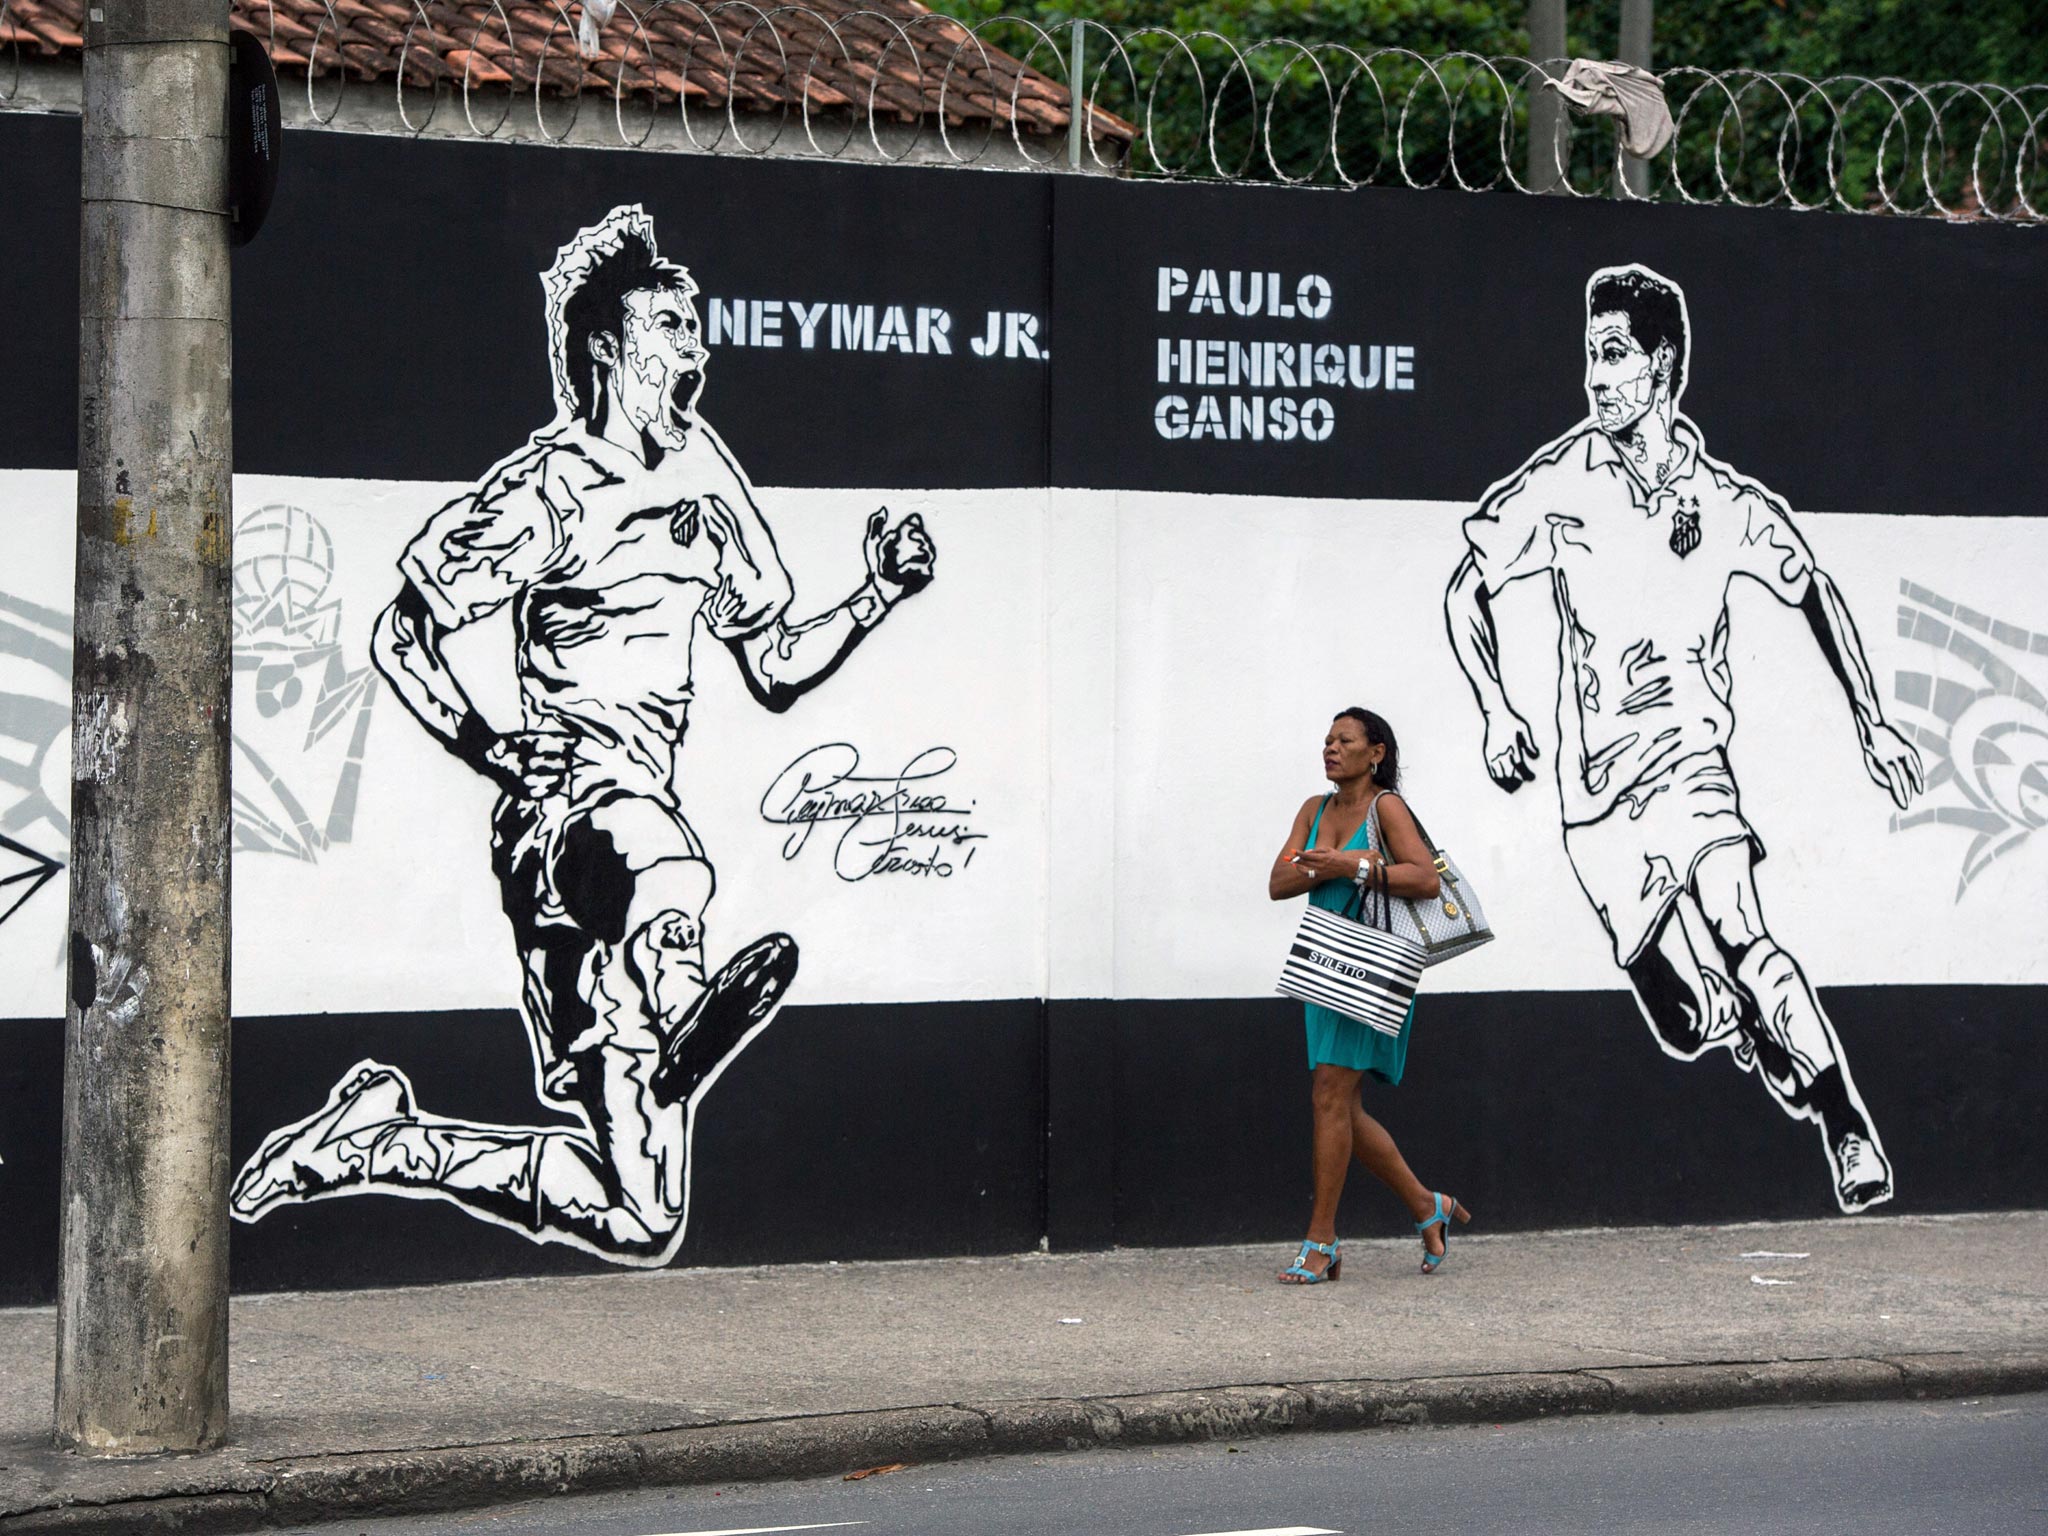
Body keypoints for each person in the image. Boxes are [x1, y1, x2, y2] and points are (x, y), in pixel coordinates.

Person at [229, 205, 937, 1264]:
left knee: (640, 1215)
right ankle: (680, 987)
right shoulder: (548, 490)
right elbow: (403, 630)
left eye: (695, 333)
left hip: (618, 830)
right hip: (565, 812)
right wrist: (489, 743)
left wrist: (875, 596)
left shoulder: (704, 474)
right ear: (607, 345)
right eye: (671, 331)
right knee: (662, 862)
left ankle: (377, 1145)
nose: (695, 354)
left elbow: (775, 662)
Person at [1444, 263, 1921, 1213]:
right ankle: (1739, 1020)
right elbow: (1467, 589)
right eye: (1590, 356)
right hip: (1597, 810)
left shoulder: (1727, 502)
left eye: (1613, 355)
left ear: (1663, 367)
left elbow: (1814, 587)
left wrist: (1871, 717)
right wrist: (1497, 707)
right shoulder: (1560, 485)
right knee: (1688, 1019)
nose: (1595, 377)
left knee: (1747, 932)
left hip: (1691, 770)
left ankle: (1845, 1124)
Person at [1269, 708, 1470, 1283]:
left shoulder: (1388, 808)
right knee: (1342, 1107)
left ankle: (1322, 1241)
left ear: (1375, 752)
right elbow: (1279, 881)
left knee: (1330, 1095)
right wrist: (1330, 866)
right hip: (1324, 965)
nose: (1331, 748)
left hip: (1372, 965)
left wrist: (1349, 866)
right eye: (1328, 740)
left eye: (1345, 740)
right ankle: (1426, 1205)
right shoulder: (1314, 809)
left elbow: (1426, 879)